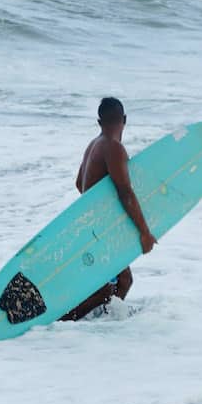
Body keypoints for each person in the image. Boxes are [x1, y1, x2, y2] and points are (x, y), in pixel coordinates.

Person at [60, 97, 157, 321]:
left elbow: (79, 184)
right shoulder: (113, 148)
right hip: (99, 230)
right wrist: (144, 232)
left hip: (92, 225)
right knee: (108, 288)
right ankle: (61, 324)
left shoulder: (94, 145)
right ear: (124, 119)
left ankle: (100, 324)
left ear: (99, 121)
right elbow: (125, 192)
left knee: (123, 281)